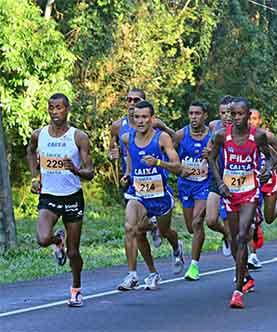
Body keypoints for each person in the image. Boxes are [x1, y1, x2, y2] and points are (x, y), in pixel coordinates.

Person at [27, 93, 94, 307]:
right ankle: (58, 241)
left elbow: (90, 172)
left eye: (59, 108)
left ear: (67, 109)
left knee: (74, 252)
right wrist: (35, 177)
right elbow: (29, 153)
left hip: (72, 198)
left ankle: (76, 290)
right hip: (49, 196)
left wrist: (75, 170)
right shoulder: (40, 135)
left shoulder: (78, 137)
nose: (55, 112)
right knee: (42, 238)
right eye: (51, 108)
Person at [208, 97, 273, 309]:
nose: (236, 118)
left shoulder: (258, 136)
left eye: (240, 114)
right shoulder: (221, 136)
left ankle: (237, 290)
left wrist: (267, 169)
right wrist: (220, 184)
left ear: (248, 115)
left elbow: (272, 157)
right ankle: (244, 275)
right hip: (229, 193)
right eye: (233, 114)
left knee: (243, 235)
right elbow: (211, 158)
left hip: (249, 192)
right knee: (235, 239)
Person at [109, 88, 176, 290]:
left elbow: (178, 166)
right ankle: (135, 275)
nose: (140, 121)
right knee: (132, 229)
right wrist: (128, 173)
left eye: (144, 117)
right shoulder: (127, 137)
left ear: (151, 118)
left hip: (160, 194)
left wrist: (158, 163)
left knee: (165, 231)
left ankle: (174, 243)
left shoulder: (162, 137)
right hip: (137, 191)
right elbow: (128, 155)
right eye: (137, 117)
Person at [175, 101, 227, 281]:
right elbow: (169, 155)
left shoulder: (213, 136)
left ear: (205, 115)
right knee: (191, 227)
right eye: (191, 113)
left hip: (205, 184)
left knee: (198, 222)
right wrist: (180, 168)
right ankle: (226, 234)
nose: (194, 117)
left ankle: (194, 266)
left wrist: (211, 156)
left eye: (197, 113)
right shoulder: (181, 135)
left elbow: (222, 159)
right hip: (186, 185)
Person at [247, 109, 277, 269]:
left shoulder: (267, 136)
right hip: (251, 181)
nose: (251, 121)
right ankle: (252, 255)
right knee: (250, 217)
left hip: (269, 181)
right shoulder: (241, 137)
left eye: (254, 119)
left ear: (260, 121)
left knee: (269, 218)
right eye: (249, 118)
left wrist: (270, 169)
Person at [205, 95, 233, 257]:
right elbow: (210, 148)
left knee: (235, 223)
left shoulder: (242, 130)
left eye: (230, 112)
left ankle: (245, 261)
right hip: (217, 177)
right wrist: (206, 154)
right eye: (223, 113)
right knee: (211, 220)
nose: (227, 117)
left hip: (237, 179)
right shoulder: (214, 127)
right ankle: (226, 235)